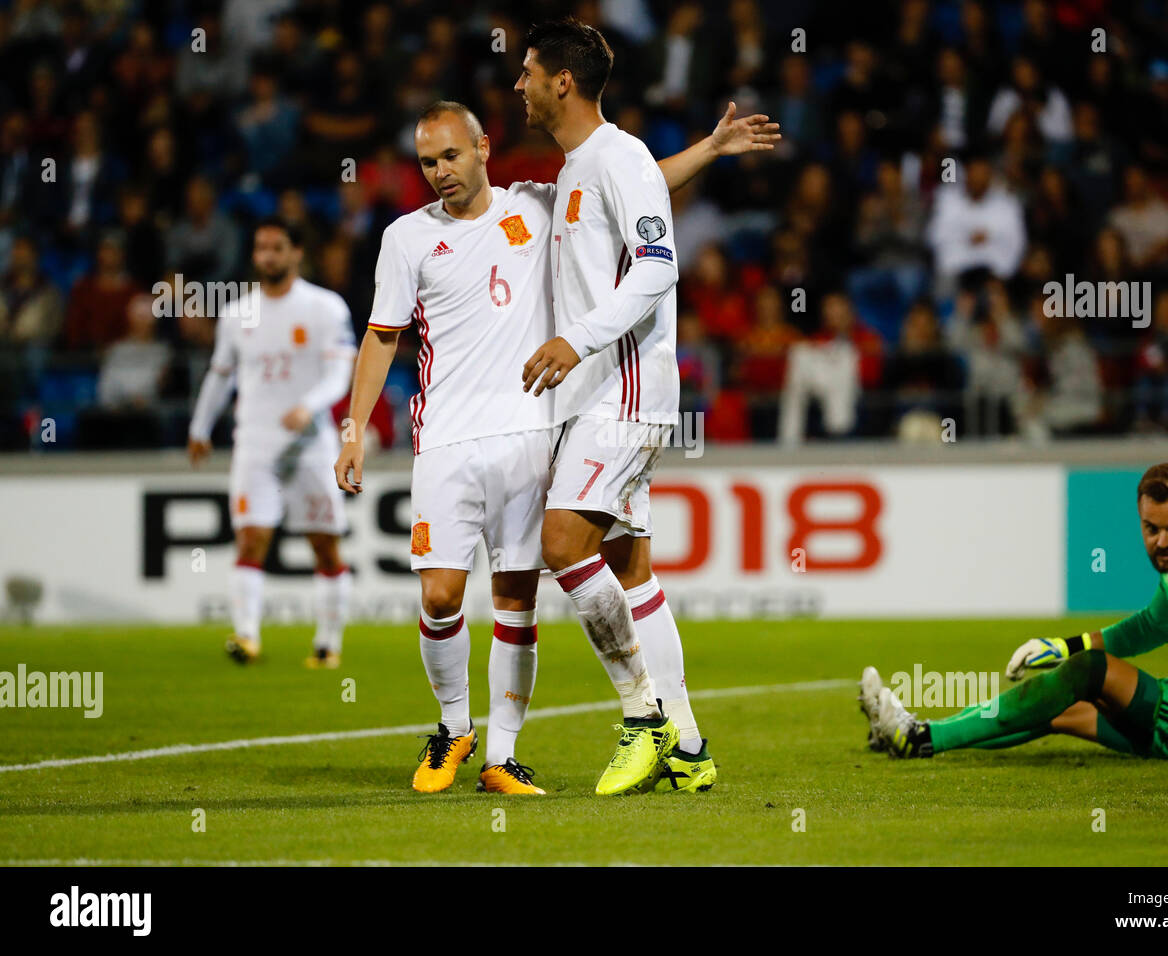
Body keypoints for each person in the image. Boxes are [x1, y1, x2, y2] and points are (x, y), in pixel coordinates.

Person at [335, 97, 777, 796]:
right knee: (442, 594)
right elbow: (382, 337)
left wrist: (710, 149)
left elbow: (634, 186)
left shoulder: (535, 206)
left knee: (518, 597)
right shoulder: (406, 238)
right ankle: (455, 729)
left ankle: (503, 757)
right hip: (444, 439)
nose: (440, 172)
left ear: (483, 149)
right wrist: (354, 429)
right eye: (426, 162)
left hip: (531, 432)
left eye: (451, 155)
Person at [517, 18, 777, 794]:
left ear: (562, 80)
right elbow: (642, 192)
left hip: (622, 385)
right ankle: (690, 748)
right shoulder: (593, 165)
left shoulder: (615, 156)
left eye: (528, 70)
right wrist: (709, 149)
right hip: (601, 392)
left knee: (562, 543)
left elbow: (657, 267)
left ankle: (643, 720)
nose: (519, 82)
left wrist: (577, 340)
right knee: (631, 568)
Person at [858, 463, 1168, 760]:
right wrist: (1060, 645)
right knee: (1053, 705)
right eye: (1151, 529)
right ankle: (917, 738)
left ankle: (913, 734)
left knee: (1089, 671)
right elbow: (1147, 627)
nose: (1161, 542)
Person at [188, 216, 356, 668]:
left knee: (324, 544)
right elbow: (220, 376)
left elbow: (342, 372)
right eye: (261, 247)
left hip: (309, 443)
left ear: (297, 252)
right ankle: (246, 637)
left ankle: (328, 644)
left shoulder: (326, 307)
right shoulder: (236, 313)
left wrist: (311, 404)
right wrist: (200, 428)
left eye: (277, 247)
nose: (267, 256)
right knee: (251, 539)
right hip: (255, 442)